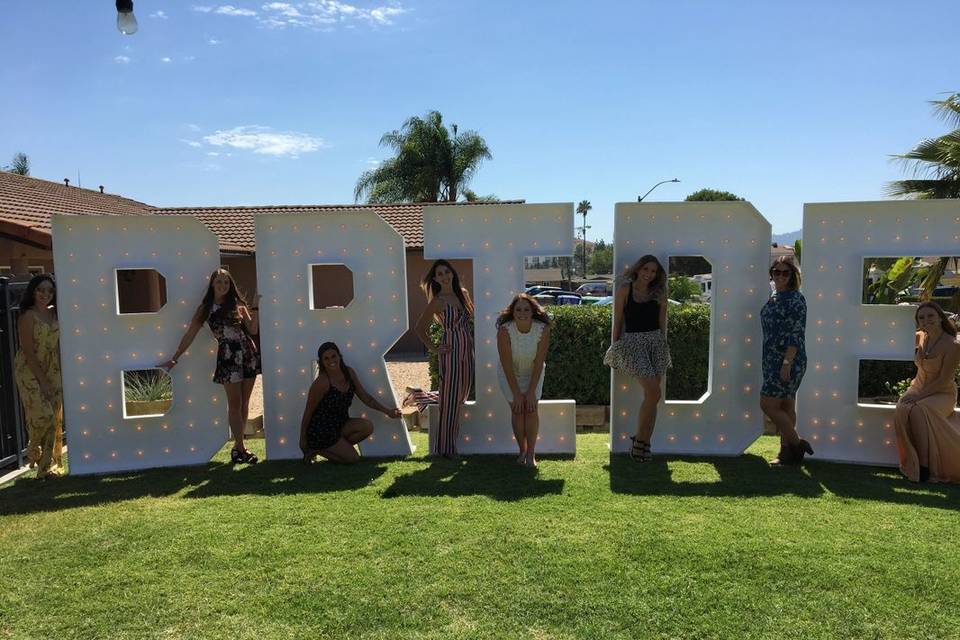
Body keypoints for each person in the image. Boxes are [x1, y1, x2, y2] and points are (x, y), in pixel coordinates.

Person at [160, 268, 261, 464]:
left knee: (245, 403)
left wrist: (254, 309)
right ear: (212, 285)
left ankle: (238, 448)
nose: (223, 286)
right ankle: (241, 448)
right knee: (234, 404)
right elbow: (190, 333)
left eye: (226, 282)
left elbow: (253, 329)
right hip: (228, 356)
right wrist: (175, 357)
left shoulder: (238, 305)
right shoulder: (206, 308)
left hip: (247, 352)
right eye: (219, 282)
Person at [604, 255, 671, 462]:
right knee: (653, 391)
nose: (649, 274)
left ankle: (642, 443)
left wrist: (663, 345)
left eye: (653, 271)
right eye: (646, 270)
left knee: (653, 396)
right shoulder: (625, 289)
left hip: (656, 342)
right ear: (638, 269)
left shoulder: (660, 293)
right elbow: (618, 321)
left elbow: (662, 323)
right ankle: (640, 442)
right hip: (633, 343)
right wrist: (614, 347)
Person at [299, 342, 401, 464]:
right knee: (353, 459)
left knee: (367, 426)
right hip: (322, 430)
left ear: (339, 356)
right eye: (326, 358)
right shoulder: (322, 382)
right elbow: (308, 411)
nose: (331, 360)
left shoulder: (349, 373)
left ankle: (333, 448)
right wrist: (303, 438)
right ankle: (317, 449)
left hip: (340, 424)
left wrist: (388, 411)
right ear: (321, 362)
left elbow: (366, 398)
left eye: (333, 356)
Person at [894, 302, 960, 483]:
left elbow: (943, 381)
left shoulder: (953, 345)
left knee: (918, 409)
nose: (926, 320)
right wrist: (900, 311)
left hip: (942, 393)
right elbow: (896, 334)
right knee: (902, 407)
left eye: (930, 316)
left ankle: (923, 466)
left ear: (940, 317)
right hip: (919, 387)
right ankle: (912, 461)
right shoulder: (922, 336)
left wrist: (918, 397)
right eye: (921, 317)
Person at [414, 259, 474, 458]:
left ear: (452, 274)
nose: (444, 276)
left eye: (446, 272)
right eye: (439, 274)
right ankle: (447, 448)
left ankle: (421, 395)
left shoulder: (463, 294)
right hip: (450, 353)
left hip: (467, 350)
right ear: (436, 279)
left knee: (459, 398)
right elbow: (419, 328)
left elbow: (473, 317)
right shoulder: (438, 301)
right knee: (450, 403)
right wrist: (435, 348)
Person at [759, 256, 812, 466]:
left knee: (767, 404)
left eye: (785, 272)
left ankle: (797, 444)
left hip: (789, 359)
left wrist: (787, 363)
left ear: (793, 275)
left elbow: (796, 334)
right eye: (776, 272)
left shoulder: (796, 300)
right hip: (771, 358)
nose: (780, 276)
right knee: (787, 404)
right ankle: (786, 453)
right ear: (771, 274)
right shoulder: (774, 295)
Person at [14, 274, 65, 479]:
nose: (45, 294)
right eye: (41, 290)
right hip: (29, 369)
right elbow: (28, 351)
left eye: (50, 291)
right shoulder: (28, 315)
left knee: (55, 418)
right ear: (33, 292)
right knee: (43, 416)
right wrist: (42, 382)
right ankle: (33, 450)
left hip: (52, 368)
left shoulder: (55, 313)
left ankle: (46, 469)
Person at [496, 294, 552, 467]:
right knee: (518, 410)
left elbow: (539, 362)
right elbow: (506, 365)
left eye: (526, 309)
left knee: (531, 409)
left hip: (533, 374)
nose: (522, 313)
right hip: (509, 375)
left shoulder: (543, 329)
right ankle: (522, 450)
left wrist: (530, 392)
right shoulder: (504, 331)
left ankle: (531, 455)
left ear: (533, 311)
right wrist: (517, 394)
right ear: (512, 312)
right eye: (518, 309)